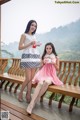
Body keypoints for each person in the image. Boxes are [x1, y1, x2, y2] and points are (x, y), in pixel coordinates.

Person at [26, 42, 63, 114]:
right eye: (47, 48)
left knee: (46, 82)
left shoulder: (56, 57)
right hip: (42, 74)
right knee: (40, 83)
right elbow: (40, 67)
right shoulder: (43, 56)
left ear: (52, 49)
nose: (48, 50)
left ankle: (34, 101)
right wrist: (43, 62)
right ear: (45, 49)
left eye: (50, 48)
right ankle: (31, 105)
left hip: (51, 75)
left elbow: (58, 69)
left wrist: (53, 63)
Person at [18, 20, 41, 103]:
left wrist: (36, 44)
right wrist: (30, 44)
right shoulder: (24, 35)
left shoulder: (34, 36)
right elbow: (20, 47)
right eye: (32, 25)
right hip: (27, 57)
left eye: (35, 26)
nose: (33, 27)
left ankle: (28, 94)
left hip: (34, 57)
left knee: (31, 79)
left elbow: (33, 47)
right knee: (28, 78)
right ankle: (20, 93)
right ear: (29, 25)